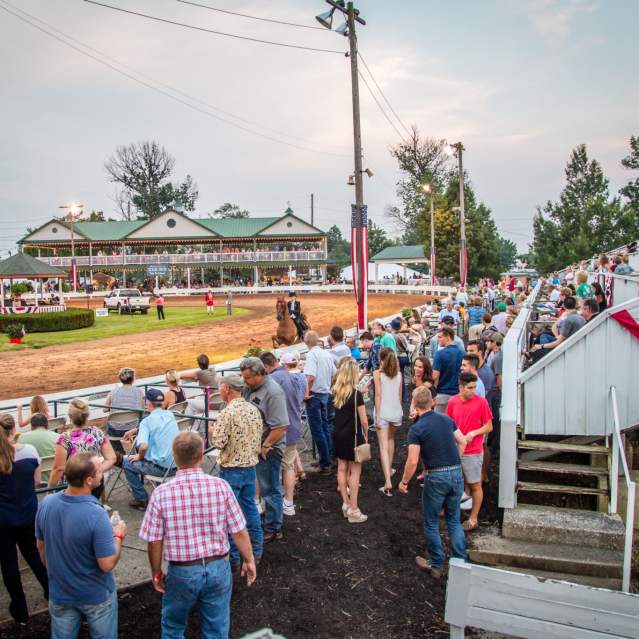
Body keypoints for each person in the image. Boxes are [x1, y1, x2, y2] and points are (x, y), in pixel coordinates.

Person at [140, 431, 256, 639]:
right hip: (218, 567)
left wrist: (156, 571)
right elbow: (238, 530)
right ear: (202, 456)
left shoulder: (161, 494)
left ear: (174, 457)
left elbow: (154, 541)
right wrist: (249, 559)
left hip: (182, 571)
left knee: (173, 627)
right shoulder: (221, 486)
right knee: (216, 628)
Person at [36, 453, 127, 639]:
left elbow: (40, 546)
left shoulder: (46, 503)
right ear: (89, 480)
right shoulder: (96, 514)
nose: (102, 474)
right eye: (99, 472)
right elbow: (107, 564)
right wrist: (118, 535)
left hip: (60, 592)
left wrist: (57, 572)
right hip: (95, 595)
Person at [398, 386, 467, 578]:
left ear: (414, 404)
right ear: (433, 402)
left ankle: (436, 564)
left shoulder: (417, 429)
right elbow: (462, 441)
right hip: (455, 473)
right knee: (454, 520)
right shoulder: (446, 420)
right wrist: (455, 462)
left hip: (436, 476)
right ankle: (461, 563)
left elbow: (412, 461)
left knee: (431, 521)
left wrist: (404, 482)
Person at [209, 375, 263, 571]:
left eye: (221, 387)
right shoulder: (253, 409)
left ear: (227, 389)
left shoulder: (227, 413)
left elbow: (218, 443)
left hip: (231, 469)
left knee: (228, 516)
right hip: (249, 467)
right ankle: (256, 552)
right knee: (250, 509)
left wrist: (212, 431)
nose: (219, 390)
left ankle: (233, 560)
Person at [0, 414, 48, 624]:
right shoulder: (29, 451)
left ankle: (20, 610)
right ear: (13, 431)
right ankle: (50, 590)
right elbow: (37, 481)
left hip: (3, 519)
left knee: (9, 563)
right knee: (33, 555)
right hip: (28, 512)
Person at [240, 357, 289, 543]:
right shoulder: (249, 388)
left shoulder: (273, 392)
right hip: (254, 446)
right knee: (261, 486)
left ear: (260, 374)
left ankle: (273, 527)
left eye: (248, 378)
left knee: (270, 488)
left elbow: (281, 426)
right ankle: (266, 520)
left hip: (268, 449)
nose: (245, 382)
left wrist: (266, 446)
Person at [259, 352, 306, 517]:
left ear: (265, 366)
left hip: (278, 430)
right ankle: (288, 503)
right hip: (293, 425)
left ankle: (265, 504)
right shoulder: (291, 375)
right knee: (288, 466)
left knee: (268, 468)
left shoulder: (273, 380)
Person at [446, 373, 493, 531]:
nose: (473, 391)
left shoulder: (481, 402)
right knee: (453, 484)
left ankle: (473, 518)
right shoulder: (452, 402)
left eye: (474, 387)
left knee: (475, 485)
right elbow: (448, 425)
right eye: (470, 388)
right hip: (456, 450)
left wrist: (474, 433)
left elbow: (489, 426)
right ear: (461, 387)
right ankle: (453, 512)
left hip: (473, 451)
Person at [48, 398, 117, 498]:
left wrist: (49, 490)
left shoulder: (64, 439)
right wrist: (96, 471)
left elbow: (58, 468)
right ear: (87, 415)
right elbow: (112, 458)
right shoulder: (97, 432)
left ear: (70, 417)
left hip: (70, 487)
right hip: (93, 484)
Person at [122, 389, 179, 510]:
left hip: (160, 469)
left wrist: (139, 456)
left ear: (148, 403)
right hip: (175, 465)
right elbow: (158, 426)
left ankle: (141, 498)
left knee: (126, 462)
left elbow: (143, 446)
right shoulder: (170, 415)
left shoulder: (146, 422)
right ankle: (162, 494)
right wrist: (136, 430)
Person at [332, 358, 369, 523]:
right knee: (355, 472)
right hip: (353, 437)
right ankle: (354, 509)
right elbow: (364, 421)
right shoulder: (356, 394)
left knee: (341, 469)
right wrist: (366, 435)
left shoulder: (336, 391)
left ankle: (345, 504)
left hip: (338, 435)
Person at [303, 331, 337, 474]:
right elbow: (335, 374)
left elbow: (310, 377)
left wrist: (305, 394)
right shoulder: (327, 354)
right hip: (324, 393)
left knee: (318, 430)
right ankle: (327, 457)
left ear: (306, 343)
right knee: (324, 427)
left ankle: (325, 462)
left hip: (315, 395)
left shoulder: (312, 355)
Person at [373, 348, 403, 496]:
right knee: (391, 440)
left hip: (383, 412)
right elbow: (399, 395)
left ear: (382, 360)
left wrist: (378, 416)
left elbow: (378, 396)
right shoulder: (399, 375)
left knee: (383, 447)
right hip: (396, 411)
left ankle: (387, 482)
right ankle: (389, 470)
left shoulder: (377, 374)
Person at [103, 367, 145, 436]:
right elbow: (142, 409)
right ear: (133, 379)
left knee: (107, 422)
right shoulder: (139, 391)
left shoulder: (113, 391)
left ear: (120, 378)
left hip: (115, 429)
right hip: (133, 428)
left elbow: (105, 409)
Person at [432, 327, 464, 414]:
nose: (438, 340)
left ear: (448, 337)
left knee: (440, 423)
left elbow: (435, 376)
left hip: (442, 393)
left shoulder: (440, 354)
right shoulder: (462, 353)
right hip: (458, 393)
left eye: (440, 337)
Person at [19, 413, 58, 483]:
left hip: (31, 482)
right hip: (54, 481)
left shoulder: (21, 438)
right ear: (47, 424)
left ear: (31, 425)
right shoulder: (59, 437)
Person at [390, 318, 411, 401]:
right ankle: (403, 396)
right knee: (401, 377)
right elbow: (406, 347)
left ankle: (402, 396)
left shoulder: (392, 336)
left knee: (399, 377)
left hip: (399, 357)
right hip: (404, 356)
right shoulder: (401, 335)